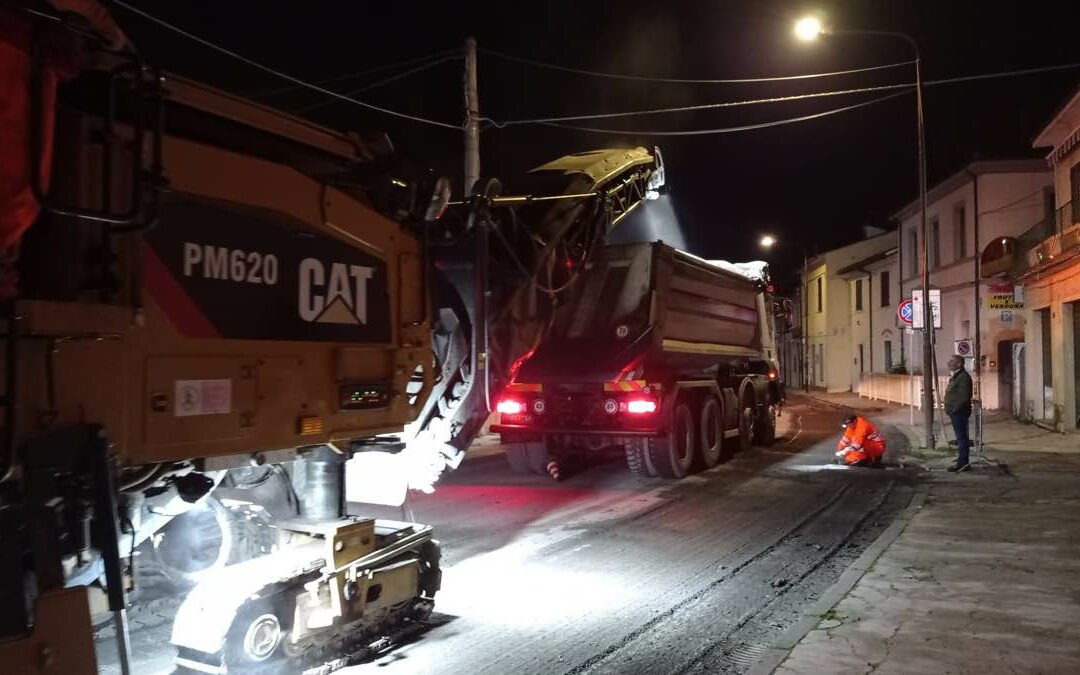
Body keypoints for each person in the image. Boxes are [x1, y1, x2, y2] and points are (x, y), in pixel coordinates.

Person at [944, 355, 973, 472]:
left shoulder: (963, 377)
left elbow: (964, 396)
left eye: (952, 361)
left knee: (962, 438)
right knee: (960, 437)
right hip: (956, 412)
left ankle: (963, 463)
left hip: (959, 412)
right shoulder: (956, 376)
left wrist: (954, 409)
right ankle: (962, 461)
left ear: (959, 364)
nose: (949, 363)